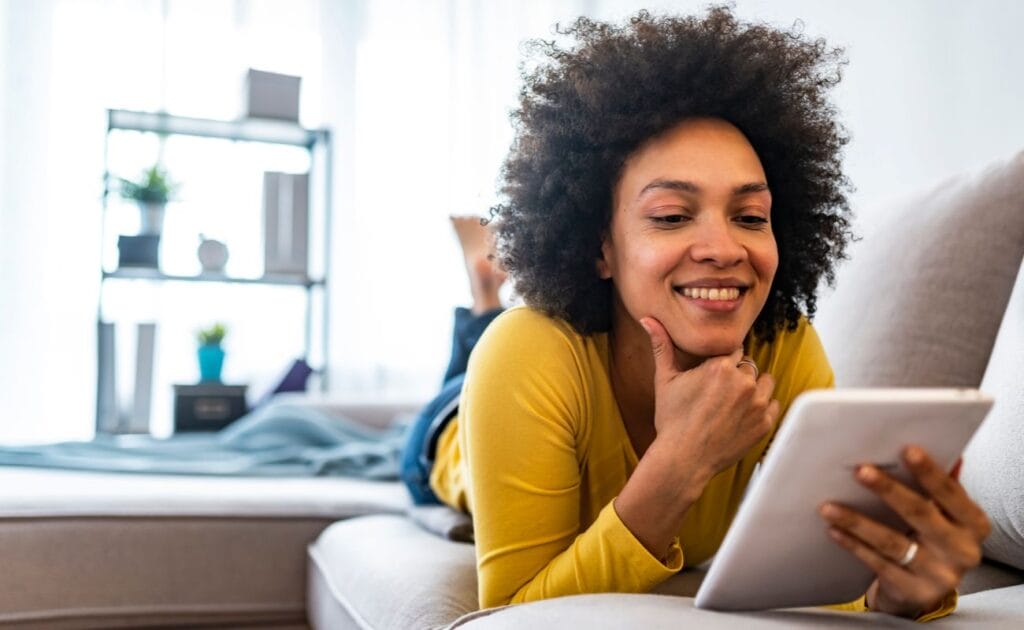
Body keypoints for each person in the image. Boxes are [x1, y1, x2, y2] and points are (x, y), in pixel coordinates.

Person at [400, 7, 990, 621]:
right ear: (601, 245)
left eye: (751, 217)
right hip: (441, 444)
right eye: (672, 216)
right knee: (457, 380)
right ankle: (484, 301)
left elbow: (831, 584)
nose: (725, 248)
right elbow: (513, 617)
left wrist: (900, 590)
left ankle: (483, 291)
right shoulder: (525, 353)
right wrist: (679, 463)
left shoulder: (782, 345)